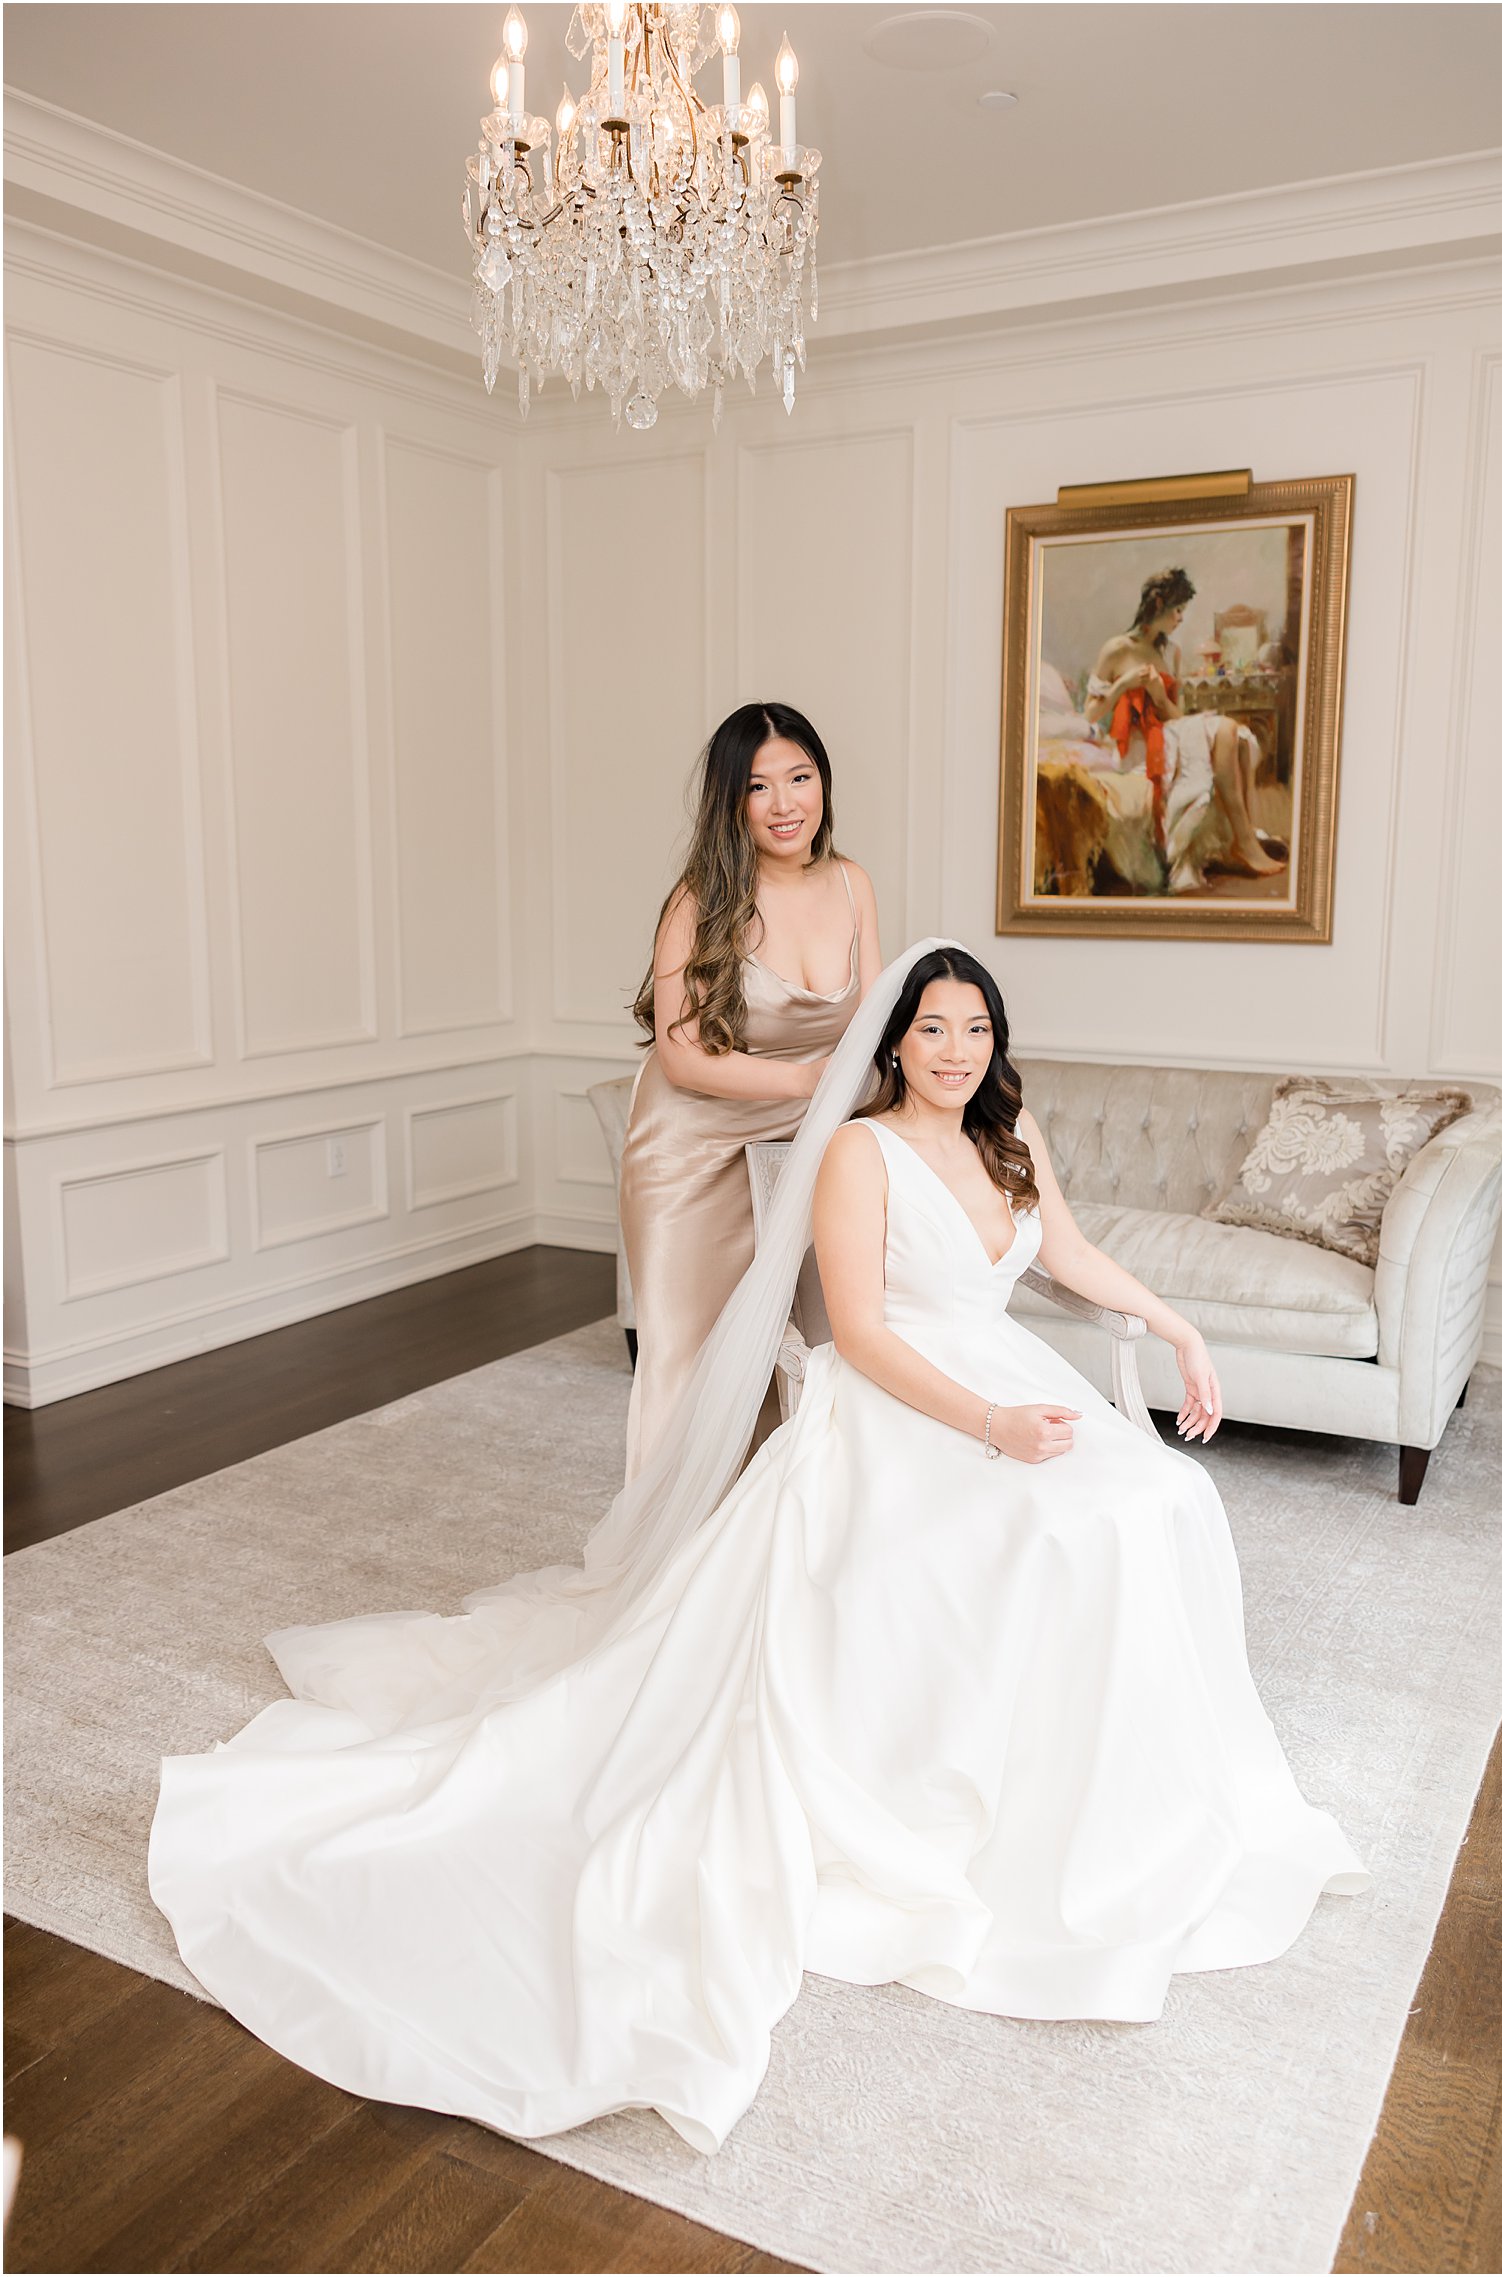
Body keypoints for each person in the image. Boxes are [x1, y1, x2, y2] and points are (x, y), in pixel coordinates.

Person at [148, 940, 1369, 2158]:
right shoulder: (856, 1149)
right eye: (932, 1031)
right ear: (893, 1043)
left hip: (1007, 1377)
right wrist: (988, 1424)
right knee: (1045, 1531)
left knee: (1157, 1499)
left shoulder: (1011, 1134)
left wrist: (1175, 1327)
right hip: (906, 1406)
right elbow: (869, 1332)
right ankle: (979, 1790)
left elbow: (1066, 1255)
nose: (955, 1053)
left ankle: (1110, 1790)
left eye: (975, 1031)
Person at [620, 700, 881, 1478]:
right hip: (691, 1154)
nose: (785, 803)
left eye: (800, 777)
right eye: (760, 786)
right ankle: (668, 1571)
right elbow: (683, 1057)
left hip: (804, 1146)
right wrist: (809, 1080)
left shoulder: (853, 884)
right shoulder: (698, 900)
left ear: (823, 784)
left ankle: (768, 1552)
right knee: (691, 1360)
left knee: (806, 1349)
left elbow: (873, 1031)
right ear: (731, 800)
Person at [1085, 567, 1286, 889]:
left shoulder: (1170, 651)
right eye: (1177, 610)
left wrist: (1159, 696)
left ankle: (1243, 839)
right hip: (1138, 747)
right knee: (1224, 729)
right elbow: (1091, 715)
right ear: (1159, 604)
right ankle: (1245, 843)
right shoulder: (1117, 649)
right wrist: (1123, 684)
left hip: (1167, 732)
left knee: (1236, 735)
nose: (1180, 618)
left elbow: (1173, 714)